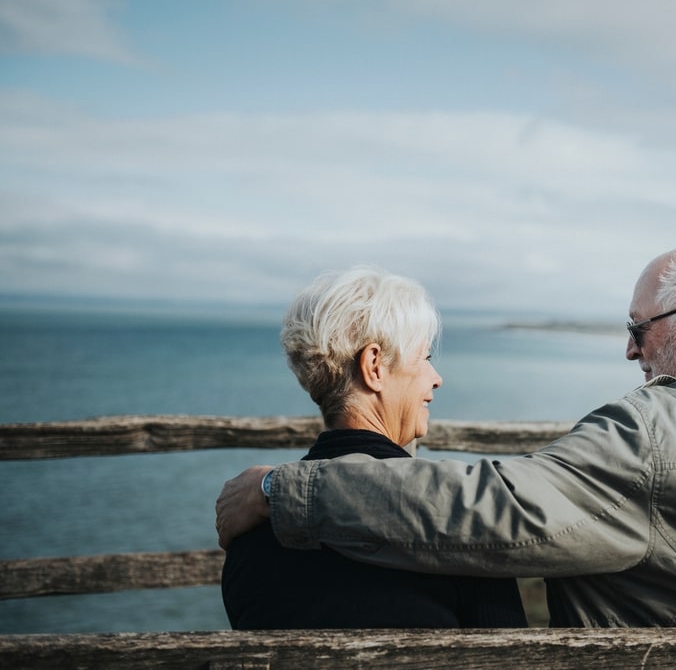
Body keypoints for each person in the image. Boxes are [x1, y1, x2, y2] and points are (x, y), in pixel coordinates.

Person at [217, 239, 676, 628]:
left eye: (639, 330)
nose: (630, 352)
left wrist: (285, 490)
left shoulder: (656, 434)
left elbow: (497, 515)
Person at [220, 266, 527, 629]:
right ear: (374, 366)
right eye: (425, 358)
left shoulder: (248, 535)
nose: (436, 378)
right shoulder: (460, 527)